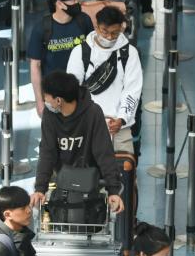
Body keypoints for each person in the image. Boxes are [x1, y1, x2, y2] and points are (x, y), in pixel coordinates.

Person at [30, 71, 124, 213]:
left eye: (46, 97)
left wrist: (113, 190)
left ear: (58, 100)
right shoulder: (50, 116)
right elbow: (47, 153)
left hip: (91, 179)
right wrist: (40, 189)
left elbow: (104, 152)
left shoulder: (93, 113)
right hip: (61, 178)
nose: (44, 100)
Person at [66, 6, 142, 155]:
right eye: (104, 31)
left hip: (119, 128)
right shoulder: (80, 52)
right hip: (87, 126)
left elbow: (132, 90)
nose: (108, 37)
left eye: (114, 33)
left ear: (122, 28)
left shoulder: (129, 53)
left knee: (124, 173)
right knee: (87, 175)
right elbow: (71, 90)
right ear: (96, 26)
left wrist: (122, 119)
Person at [27, 0, 94, 116]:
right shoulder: (41, 29)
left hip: (79, 90)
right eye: (73, 0)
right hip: (53, 94)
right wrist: (39, 101)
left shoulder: (84, 21)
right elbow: (35, 66)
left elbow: (94, 53)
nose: (77, 2)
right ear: (59, 4)